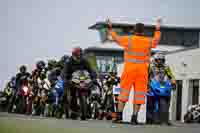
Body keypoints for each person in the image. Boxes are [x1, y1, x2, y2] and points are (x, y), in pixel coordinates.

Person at [106, 18, 162, 124]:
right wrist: (157, 29)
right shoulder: (148, 41)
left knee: (123, 93)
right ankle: (134, 118)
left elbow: (115, 37)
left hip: (129, 70)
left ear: (134, 30)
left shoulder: (129, 39)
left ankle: (118, 116)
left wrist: (110, 27)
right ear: (143, 31)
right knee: (139, 95)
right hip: (142, 72)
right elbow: (156, 40)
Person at [63, 47, 97, 119]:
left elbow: (91, 70)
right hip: (72, 80)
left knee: (90, 89)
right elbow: (64, 72)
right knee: (67, 93)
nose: (79, 56)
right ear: (73, 54)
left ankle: (87, 109)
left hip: (82, 79)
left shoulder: (85, 61)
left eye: (80, 55)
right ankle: (68, 108)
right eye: (77, 55)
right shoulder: (68, 62)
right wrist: (66, 78)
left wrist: (94, 77)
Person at [148, 52, 176, 125]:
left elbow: (170, 75)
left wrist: (173, 81)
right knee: (150, 102)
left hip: (162, 85)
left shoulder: (166, 67)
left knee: (167, 100)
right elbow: (146, 76)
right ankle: (149, 118)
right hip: (152, 85)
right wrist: (147, 84)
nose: (160, 61)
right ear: (155, 60)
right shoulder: (151, 66)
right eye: (158, 60)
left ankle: (165, 119)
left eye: (162, 60)